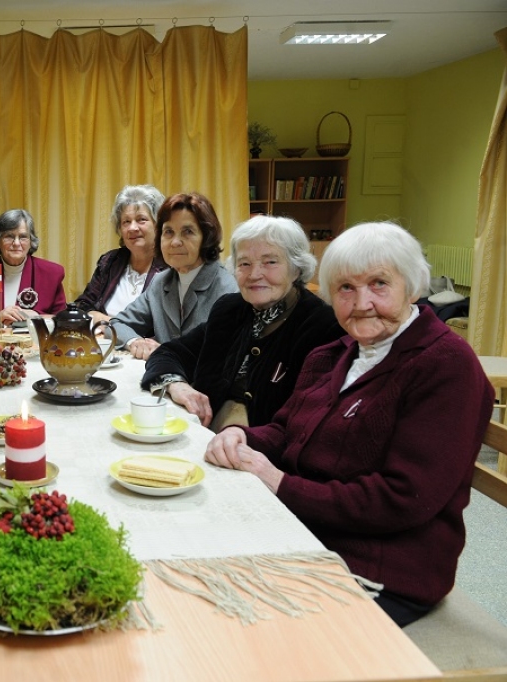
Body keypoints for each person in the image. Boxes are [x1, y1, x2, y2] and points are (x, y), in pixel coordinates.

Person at [204, 221, 494, 627]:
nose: (361, 303)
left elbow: (403, 498)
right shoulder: (333, 354)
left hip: (382, 566)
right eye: (345, 288)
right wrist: (239, 434)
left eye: (379, 284)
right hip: (302, 529)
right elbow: (287, 429)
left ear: (412, 287)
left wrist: (280, 483)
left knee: (226, 621)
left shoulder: (446, 366)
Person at [142, 215, 344, 430]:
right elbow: (169, 353)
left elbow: (308, 422)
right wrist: (178, 385)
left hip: (265, 455)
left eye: (270, 262)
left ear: (296, 267)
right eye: (244, 263)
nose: (255, 274)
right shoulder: (230, 310)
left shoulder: (323, 326)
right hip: (203, 438)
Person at [111, 192, 238, 358]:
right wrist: (135, 341)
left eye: (187, 232)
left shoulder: (227, 289)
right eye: (168, 232)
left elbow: (222, 357)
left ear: (206, 238)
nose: (175, 242)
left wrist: (166, 353)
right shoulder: (160, 281)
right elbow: (116, 324)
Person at [74, 185, 169, 324]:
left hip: (143, 344)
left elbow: (164, 325)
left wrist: (108, 322)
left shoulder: (171, 267)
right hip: (101, 342)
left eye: (141, 219)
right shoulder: (110, 261)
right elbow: (83, 305)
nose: (132, 228)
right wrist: (93, 315)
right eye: (126, 221)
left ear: (158, 224)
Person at [0, 208, 67, 325]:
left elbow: (63, 321)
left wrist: (37, 317)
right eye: (9, 236)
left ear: (31, 241)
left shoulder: (51, 273)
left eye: (23, 237)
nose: (16, 243)